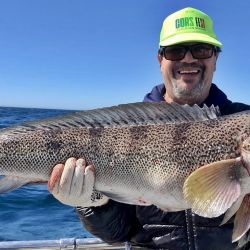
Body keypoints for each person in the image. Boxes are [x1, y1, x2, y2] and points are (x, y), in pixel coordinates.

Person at [48, 7, 250, 250]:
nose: (188, 58)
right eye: (175, 51)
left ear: (215, 59)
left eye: (201, 49)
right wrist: (91, 201)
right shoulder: (129, 128)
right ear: (160, 60)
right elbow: (117, 234)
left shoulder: (240, 117)